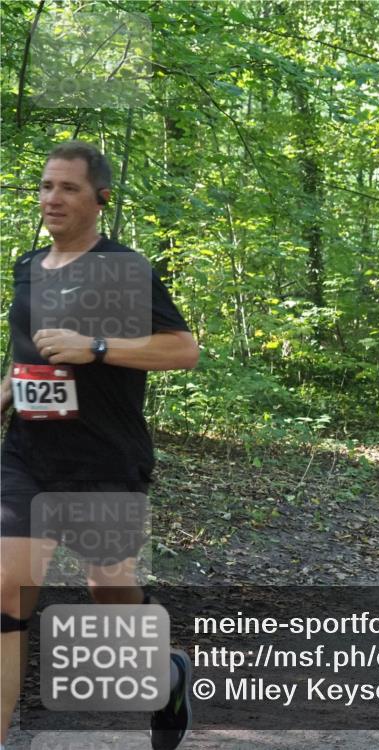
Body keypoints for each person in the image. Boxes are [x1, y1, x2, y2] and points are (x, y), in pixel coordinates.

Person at [0, 142, 199, 750]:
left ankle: (166, 675)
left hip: (104, 457)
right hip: (28, 454)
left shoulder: (123, 268)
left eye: (68, 188)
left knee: (107, 589)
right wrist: (6, 390)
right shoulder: (29, 266)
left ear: (101, 199)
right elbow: (26, 354)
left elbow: (183, 349)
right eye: (46, 186)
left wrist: (99, 348)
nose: (52, 198)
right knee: (7, 589)